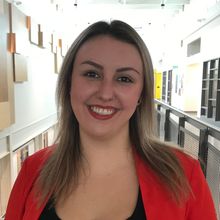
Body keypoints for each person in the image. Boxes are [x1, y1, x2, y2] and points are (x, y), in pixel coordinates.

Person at [5, 20, 216, 220]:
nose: (105, 93)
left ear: (141, 95)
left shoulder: (183, 175)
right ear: (69, 84)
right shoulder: (32, 171)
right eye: (92, 74)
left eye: (124, 79)